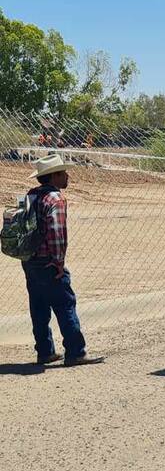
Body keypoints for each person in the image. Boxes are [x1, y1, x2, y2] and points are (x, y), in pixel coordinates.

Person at [22, 155, 103, 367]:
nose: (67, 176)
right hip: (49, 261)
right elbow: (57, 232)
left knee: (38, 306)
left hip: (30, 260)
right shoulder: (55, 199)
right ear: (55, 176)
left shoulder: (31, 195)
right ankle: (75, 352)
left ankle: (45, 351)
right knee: (65, 304)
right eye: (64, 173)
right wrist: (58, 262)